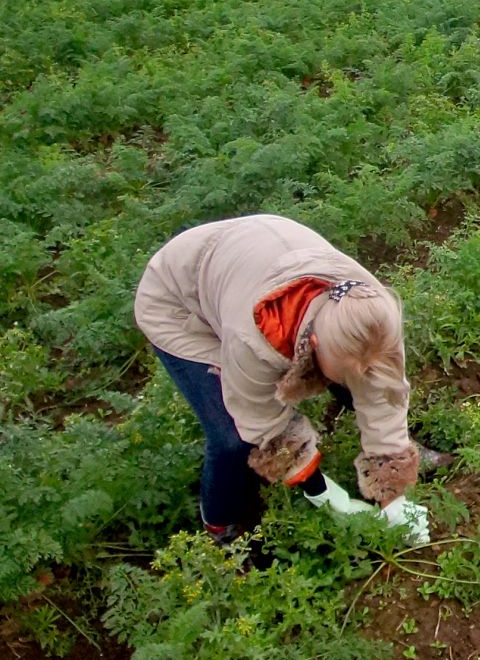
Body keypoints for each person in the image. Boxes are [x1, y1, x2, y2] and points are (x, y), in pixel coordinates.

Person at [134, 215, 434, 545]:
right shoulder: (255, 340)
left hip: (250, 257)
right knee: (232, 436)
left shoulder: (372, 315)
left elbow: (383, 393)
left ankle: (390, 449)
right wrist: (324, 494)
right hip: (177, 302)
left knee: (361, 374)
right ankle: (220, 527)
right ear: (312, 348)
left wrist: (392, 487)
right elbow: (263, 424)